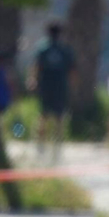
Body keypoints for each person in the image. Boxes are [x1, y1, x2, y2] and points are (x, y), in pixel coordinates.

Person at [29, 21, 75, 160]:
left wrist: (32, 81)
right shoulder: (64, 49)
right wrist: (72, 87)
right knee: (58, 118)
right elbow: (72, 71)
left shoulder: (43, 48)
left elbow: (36, 67)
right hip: (59, 87)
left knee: (43, 116)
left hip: (46, 86)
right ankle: (57, 145)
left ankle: (41, 145)